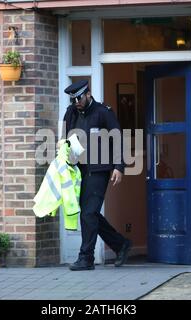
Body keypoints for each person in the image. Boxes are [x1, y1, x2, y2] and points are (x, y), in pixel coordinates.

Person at [61, 79, 132, 271]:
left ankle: (86, 258)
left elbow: (117, 138)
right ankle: (120, 244)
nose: (76, 102)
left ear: (88, 94)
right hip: (78, 171)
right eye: (73, 99)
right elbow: (64, 141)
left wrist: (119, 166)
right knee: (89, 213)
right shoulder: (71, 113)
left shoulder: (103, 112)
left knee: (88, 213)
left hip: (99, 170)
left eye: (79, 98)